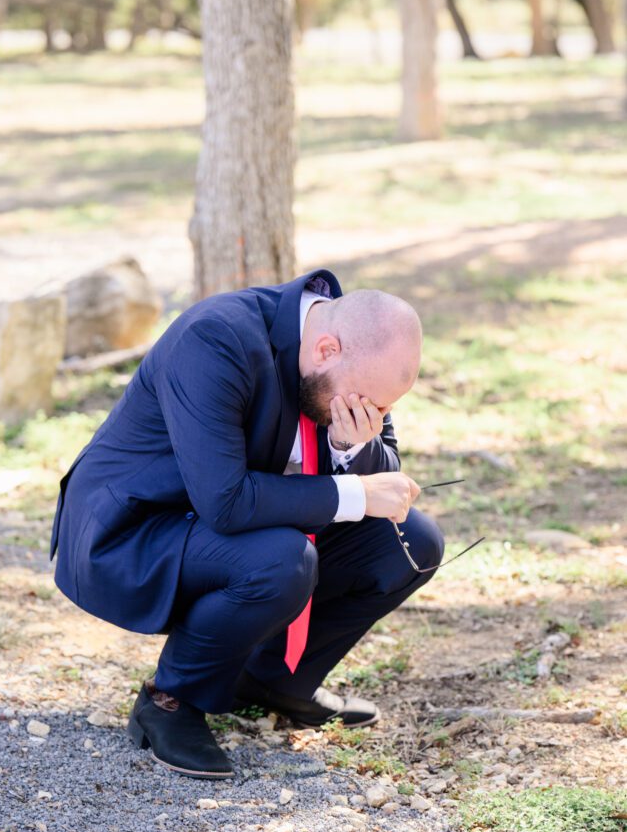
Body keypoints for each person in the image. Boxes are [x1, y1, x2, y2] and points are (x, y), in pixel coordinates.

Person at [49, 267, 444, 780]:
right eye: (367, 403)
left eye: (384, 409)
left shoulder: (358, 358)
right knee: (281, 561)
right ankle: (170, 700)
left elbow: (381, 466)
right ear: (327, 349)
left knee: (412, 542)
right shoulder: (215, 339)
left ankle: (274, 682)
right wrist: (354, 492)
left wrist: (349, 447)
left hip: (228, 525)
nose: (373, 414)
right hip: (136, 529)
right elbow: (225, 501)